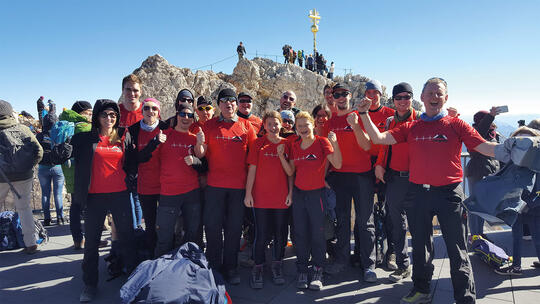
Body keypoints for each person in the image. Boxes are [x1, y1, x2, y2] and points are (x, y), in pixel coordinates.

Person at [358, 77, 498, 304]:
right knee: (421, 246)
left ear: (446, 98)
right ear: (421, 98)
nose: (434, 97)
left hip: (449, 194)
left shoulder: (455, 124)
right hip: (418, 193)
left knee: (457, 249)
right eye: (430, 93)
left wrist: (514, 148)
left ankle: (465, 298)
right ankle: (421, 289)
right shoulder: (411, 126)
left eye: (439, 93)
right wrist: (364, 115)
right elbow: (378, 138)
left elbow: (485, 147)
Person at [72, 99, 137, 302]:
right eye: (104, 114)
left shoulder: (123, 137)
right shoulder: (84, 138)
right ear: (96, 117)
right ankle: (90, 285)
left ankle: (133, 280)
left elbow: (133, 162)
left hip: (120, 194)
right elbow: (63, 153)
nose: (109, 118)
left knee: (127, 238)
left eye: (113, 115)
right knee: (91, 242)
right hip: (95, 197)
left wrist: (131, 179)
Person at [197, 88, 257, 284]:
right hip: (214, 187)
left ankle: (231, 268)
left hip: (237, 188)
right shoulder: (209, 125)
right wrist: (199, 145)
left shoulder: (247, 127)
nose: (229, 104)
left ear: (236, 104)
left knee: (233, 230)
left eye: (232, 100)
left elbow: (254, 160)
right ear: (219, 104)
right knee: (213, 227)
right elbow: (200, 154)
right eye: (224, 101)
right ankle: (214, 267)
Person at [279, 111, 342, 291]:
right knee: (300, 234)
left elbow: (337, 164)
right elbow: (291, 172)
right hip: (299, 195)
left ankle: (317, 270)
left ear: (313, 124)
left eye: (306, 125)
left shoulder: (322, 142)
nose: (303, 129)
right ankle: (301, 270)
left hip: (317, 195)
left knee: (317, 234)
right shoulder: (295, 144)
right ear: (296, 129)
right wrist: (281, 157)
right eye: (299, 126)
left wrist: (335, 144)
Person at [322, 84, 375, 283]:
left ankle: (368, 264)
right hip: (339, 177)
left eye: (344, 94)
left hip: (362, 176)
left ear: (350, 96)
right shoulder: (330, 122)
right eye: (337, 95)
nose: (341, 97)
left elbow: (367, 145)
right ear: (333, 98)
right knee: (342, 221)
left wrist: (354, 126)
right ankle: (342, 260)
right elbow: (328, 153)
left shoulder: (358, 117)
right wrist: (322, 178)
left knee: (365, 221)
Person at [373, 82, 420, 282]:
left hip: (417, 178)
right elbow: (384, 145)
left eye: (406, 97)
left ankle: (422, 266)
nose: (403, 101)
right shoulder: (390, 121)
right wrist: (380, 165)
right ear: (393, 100)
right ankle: (403, 265)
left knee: (419, 225)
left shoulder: (420, 119)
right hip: (395, 178)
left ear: (412, 98)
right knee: (397, 224)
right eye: (399, 98)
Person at [244, 111, 292, 289]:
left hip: (281, 197)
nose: (273, 127)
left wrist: (291, 193)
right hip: (261, 197)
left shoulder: (287, 144)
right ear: (264, 126)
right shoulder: (258, 143)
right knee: (261, 234)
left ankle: (277, 265)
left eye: (276, 123)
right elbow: (252, 170)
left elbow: (291, 173)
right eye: (269, 124)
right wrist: (248, 194)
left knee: (281, 233)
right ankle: (258, 266)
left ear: (282, 125)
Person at [154, 103, 205, 256]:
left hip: (192, 192)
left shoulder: (193, 138)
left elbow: (202, 160)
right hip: (169, 193)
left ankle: (189, 269)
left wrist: (200, 143)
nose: (186, 118)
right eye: (183, 115)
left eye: (190, 116)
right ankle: (161, 270)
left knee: (192, 234)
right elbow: (151, 160)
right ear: (177, 116)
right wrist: (155, 142)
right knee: (165, 236)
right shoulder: (165, 135)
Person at [494, 126, 540, 276]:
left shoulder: (515, 160)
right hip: (525, 204)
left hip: (530, 205)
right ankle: (516, 266)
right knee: (520, 236)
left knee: (534, 236)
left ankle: (516, 267)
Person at [126, 98, 169, 256]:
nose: (150, 112)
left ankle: (165, 254)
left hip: (165, 185)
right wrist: (154, 143)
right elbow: (135, 158)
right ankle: (151, 256)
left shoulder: (166, 128)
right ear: (142, 111)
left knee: (164, 224)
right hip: (145, 186)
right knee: (150, 224)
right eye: (146, 108)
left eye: (154, 109)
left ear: (159, 112)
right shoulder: (134, 130)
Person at [0, 99, 43, 254]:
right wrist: (29, 167)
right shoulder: (22, 129)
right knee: (24, 208)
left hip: (2, 177)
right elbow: (39, 151)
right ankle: (31, 243)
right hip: (24, 176)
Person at [58, 100, 93, 249]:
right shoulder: (85, 127)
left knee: (75, 207)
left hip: (69, 170)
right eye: (88, 113)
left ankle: (78, 240)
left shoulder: (66, 124)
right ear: (81, 113)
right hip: (83, 171)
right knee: (90, 207)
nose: (91, 116)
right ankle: (90, 239)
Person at [465, 108, 502, 238]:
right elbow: (480, 131)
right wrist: (491, 116)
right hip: (477, 171)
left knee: (483, 204)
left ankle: (479, 234)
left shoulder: (493, 134)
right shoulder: (473, 133)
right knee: (476, 204)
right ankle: (476, 235)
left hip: (490, 172)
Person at [119, 74, 144, 229]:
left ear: (140, 91)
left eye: (135, 90)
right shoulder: (116, 111)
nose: (132, 94)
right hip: (120, 163)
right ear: (122, 91)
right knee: (126, 201)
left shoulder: (147, 110)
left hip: (141, 163)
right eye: (128, 90)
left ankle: (137, 232)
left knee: (137, 200)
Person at [36, 101, 65, 226]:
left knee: (45, 194)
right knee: (58, 194)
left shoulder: (39, 136)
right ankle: (60, 218)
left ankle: (47, 219)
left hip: (43, 168)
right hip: (57, 167)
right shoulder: (58, 135)